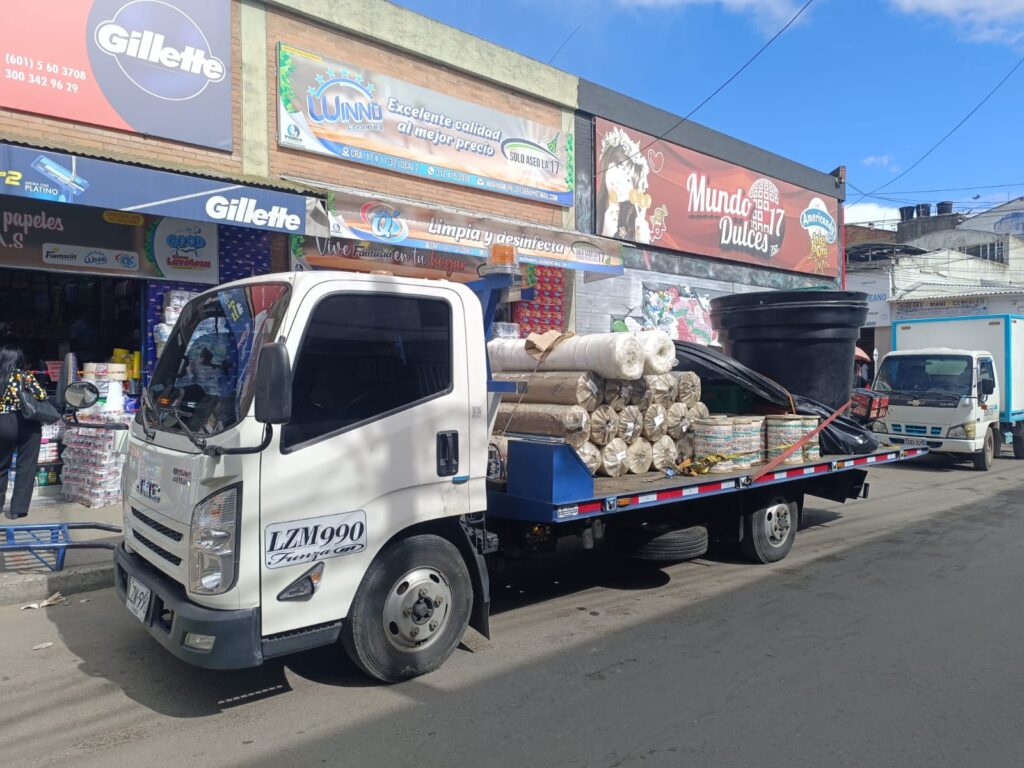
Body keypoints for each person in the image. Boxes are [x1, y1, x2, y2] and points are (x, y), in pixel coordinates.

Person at [0, 345, 47, 519]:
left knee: (1, 465)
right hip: (28, 423)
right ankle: (17, 509)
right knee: (26, 466)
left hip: (3, 422)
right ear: (20, 360)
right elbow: (41, 396)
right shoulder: (25, 377)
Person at [597, 125, 652, 244]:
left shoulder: (634, 220)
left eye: (628, 180)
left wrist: (643, 244)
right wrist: (605, 234)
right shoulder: (589, 204)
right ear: (606, 163)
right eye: (618, 166)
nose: (619, 181)